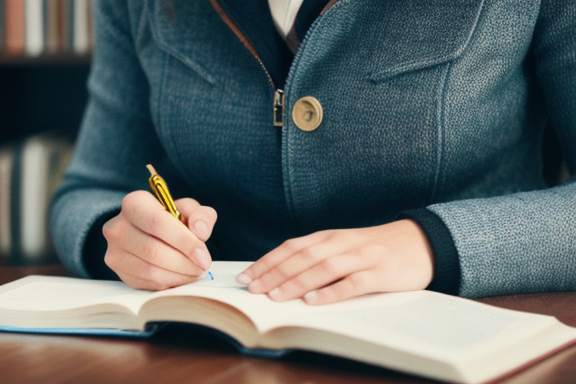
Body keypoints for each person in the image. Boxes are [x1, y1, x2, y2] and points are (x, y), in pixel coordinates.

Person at [50, 0, 576, 305]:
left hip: (472, 325)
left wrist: (429, 246)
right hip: (215, 339)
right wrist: (117, 239)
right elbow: (88, 188)